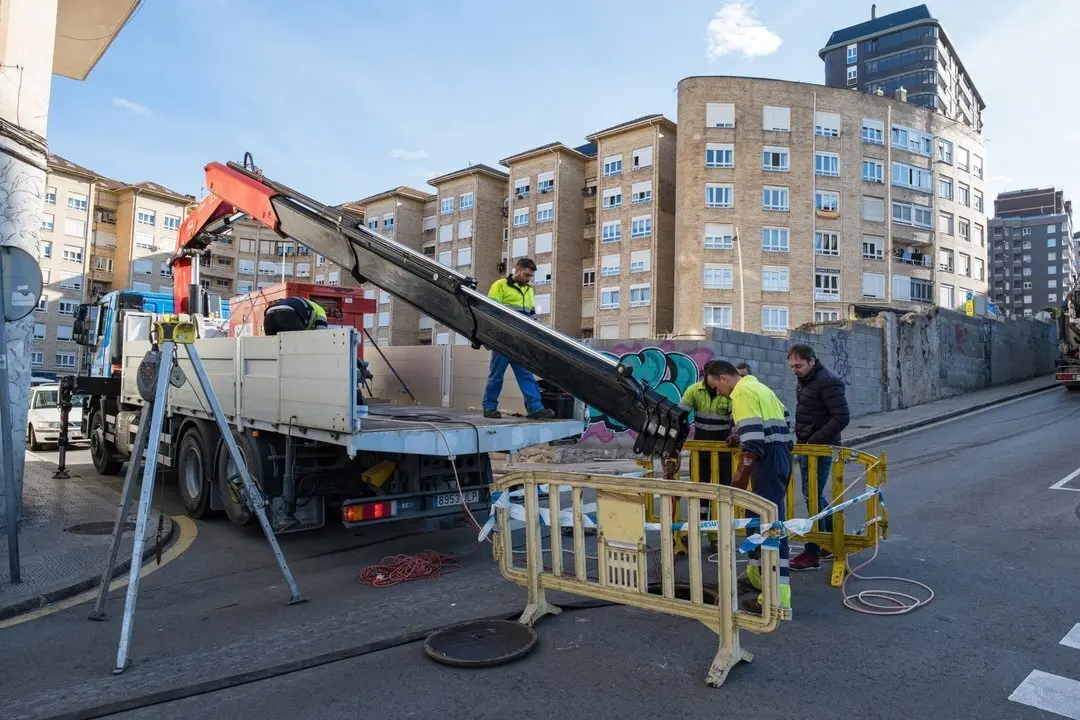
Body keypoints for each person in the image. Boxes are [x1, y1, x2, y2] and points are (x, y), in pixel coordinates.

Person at [708, 361, 794, 614]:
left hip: (765, 459)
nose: (718, 393)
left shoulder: (742, 394)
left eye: (716, 387)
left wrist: (738, 481)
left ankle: (776, 596)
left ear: (724, 378)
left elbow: (754, 443)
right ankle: (758, 577)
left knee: (770, 525)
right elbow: (786, 416)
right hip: (778, 456)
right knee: (757, 519)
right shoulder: (762, 389)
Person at [787, 343, 850, 572]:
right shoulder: (806, 381)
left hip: (819, 450)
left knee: (813, 497)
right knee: (813, 496)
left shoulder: (827, 381)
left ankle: (813, 553)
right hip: (808, 447)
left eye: (799, 365)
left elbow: (842, 417)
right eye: (792, 366)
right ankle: (829, 543)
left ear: (812, 361)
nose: (795, 370)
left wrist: (814, 441)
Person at [482, 257, 554, 420]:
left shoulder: (529, 291)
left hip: (520, 342)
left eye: (531, 276)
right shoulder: (499, 285)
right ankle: (489, 407)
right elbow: (490, 311)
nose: (529, 279)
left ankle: (536, 408)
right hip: (503, 340)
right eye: (527, 275)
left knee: (526, 375)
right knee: (496, 375)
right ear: (517, 269)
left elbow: (531, 317)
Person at [262, 296, 328, 335]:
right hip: (288, 315)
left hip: (269, 315)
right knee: (295, 345)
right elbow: (321, 334)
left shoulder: (303, 304)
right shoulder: (320, 310)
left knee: (272, 346)